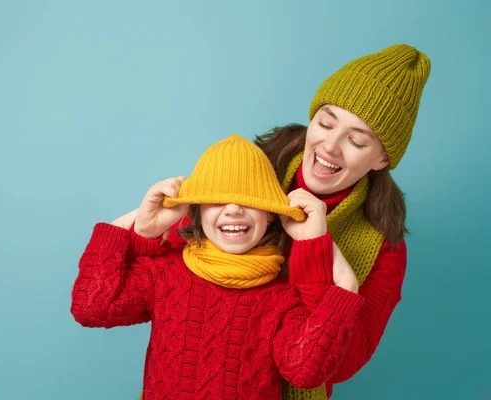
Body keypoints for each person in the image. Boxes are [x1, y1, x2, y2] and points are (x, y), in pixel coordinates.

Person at [129, 44, 431, 400]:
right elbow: (171, 264)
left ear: (382, 159)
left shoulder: (383, 246)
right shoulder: (249, 168)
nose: (330, 146)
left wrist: (315, 252)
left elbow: (344, 361)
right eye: (325, 122)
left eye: (355, 140)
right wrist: (147, 234)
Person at [71, 135, 366, 400]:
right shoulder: (165, 275)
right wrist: (136, 223)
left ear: (272, 216)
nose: (234, 209)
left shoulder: (283, 299)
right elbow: (92, 308)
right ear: (195, 211)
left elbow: (305, 372)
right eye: (217, 199)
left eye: (250, 201)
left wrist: (345, 283)